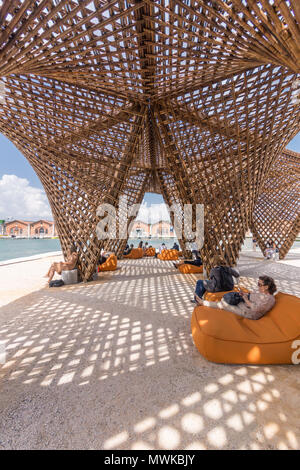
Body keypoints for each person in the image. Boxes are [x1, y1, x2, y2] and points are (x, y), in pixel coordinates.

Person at [195, 276, 277, 320]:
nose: (258, 286)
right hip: (245, 305)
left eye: (259, 284)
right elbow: (254, 297)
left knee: (223, 305)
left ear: (266, 287)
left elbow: (255, 308)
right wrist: (244, 294)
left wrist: (245, 299)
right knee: (227, 299)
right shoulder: (263, 293)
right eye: (258, 284)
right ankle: (203, 302)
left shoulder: (269, 299)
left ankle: (203, 303)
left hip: (248, 313)